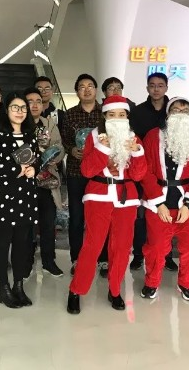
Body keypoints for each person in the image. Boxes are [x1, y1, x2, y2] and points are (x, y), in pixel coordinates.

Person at [67, 95, 147, 314]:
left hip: (126, 198)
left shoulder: (133, 138)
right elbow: (87, 171)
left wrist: (137, 152)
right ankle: (76, 290)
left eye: (121, 115)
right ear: (104, 116)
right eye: (112, 115)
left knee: (122, 247)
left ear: (127, 117)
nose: (117, 119)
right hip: (98, 196)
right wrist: (101, 149)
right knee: (92, 245)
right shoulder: (94, 136)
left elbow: (139, 175)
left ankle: (115, 290)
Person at [139, 97, 189, 301]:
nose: (180, 114)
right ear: (168, 114)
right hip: (158, 203)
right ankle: (152, 282)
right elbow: (145, 171)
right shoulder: (153, 136)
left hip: (186, 204)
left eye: (185, 110)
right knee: (156, 248)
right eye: (176, 110)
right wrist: (158, 202)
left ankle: (186, 283)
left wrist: (188, 204)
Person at [0, 92, 40, 308]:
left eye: (23, 108)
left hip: (25, 195)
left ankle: (18, 286)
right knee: (2, 243)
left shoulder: (30, 135)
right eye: (15, 107)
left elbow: (36, 158)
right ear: (6, 110)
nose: (20, 112)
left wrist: (34, 169)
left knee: (21, 244)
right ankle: (4, 288)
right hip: (3, 196)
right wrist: (16, 170)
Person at [129, 73, 177, 272]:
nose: (156, 89)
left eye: (160, 85)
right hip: (143, 170)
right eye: (152, 85)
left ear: (166, 87)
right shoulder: (137, 112)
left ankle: (167, 255)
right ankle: (139, 254)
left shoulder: (172, 110)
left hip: (168, 174)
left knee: (168, 215)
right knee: (141, 216)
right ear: (147, 87)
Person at [60, 73, 106, 275]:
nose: (86, 90)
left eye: (90, 86)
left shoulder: (105, 113)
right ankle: (76, 258)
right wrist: (71, 149)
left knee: (101, 217)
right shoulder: (69, 115)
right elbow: (63, 139)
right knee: (77, 217)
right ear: (77, 92)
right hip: (76, 171)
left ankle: (103, 258)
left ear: (96, 90)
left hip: (100, 173)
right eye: (81, 87)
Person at [24, 87, 65, 277]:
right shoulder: (18, 123)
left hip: (46, 183)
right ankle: (26, 260)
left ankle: (49, 261)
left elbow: (59, 147)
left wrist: (54, 156)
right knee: (26, 224)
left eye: (38, 101)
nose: (34, 105)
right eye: (30, 101)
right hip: (24, 183)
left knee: (48, 223)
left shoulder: (49, 123)